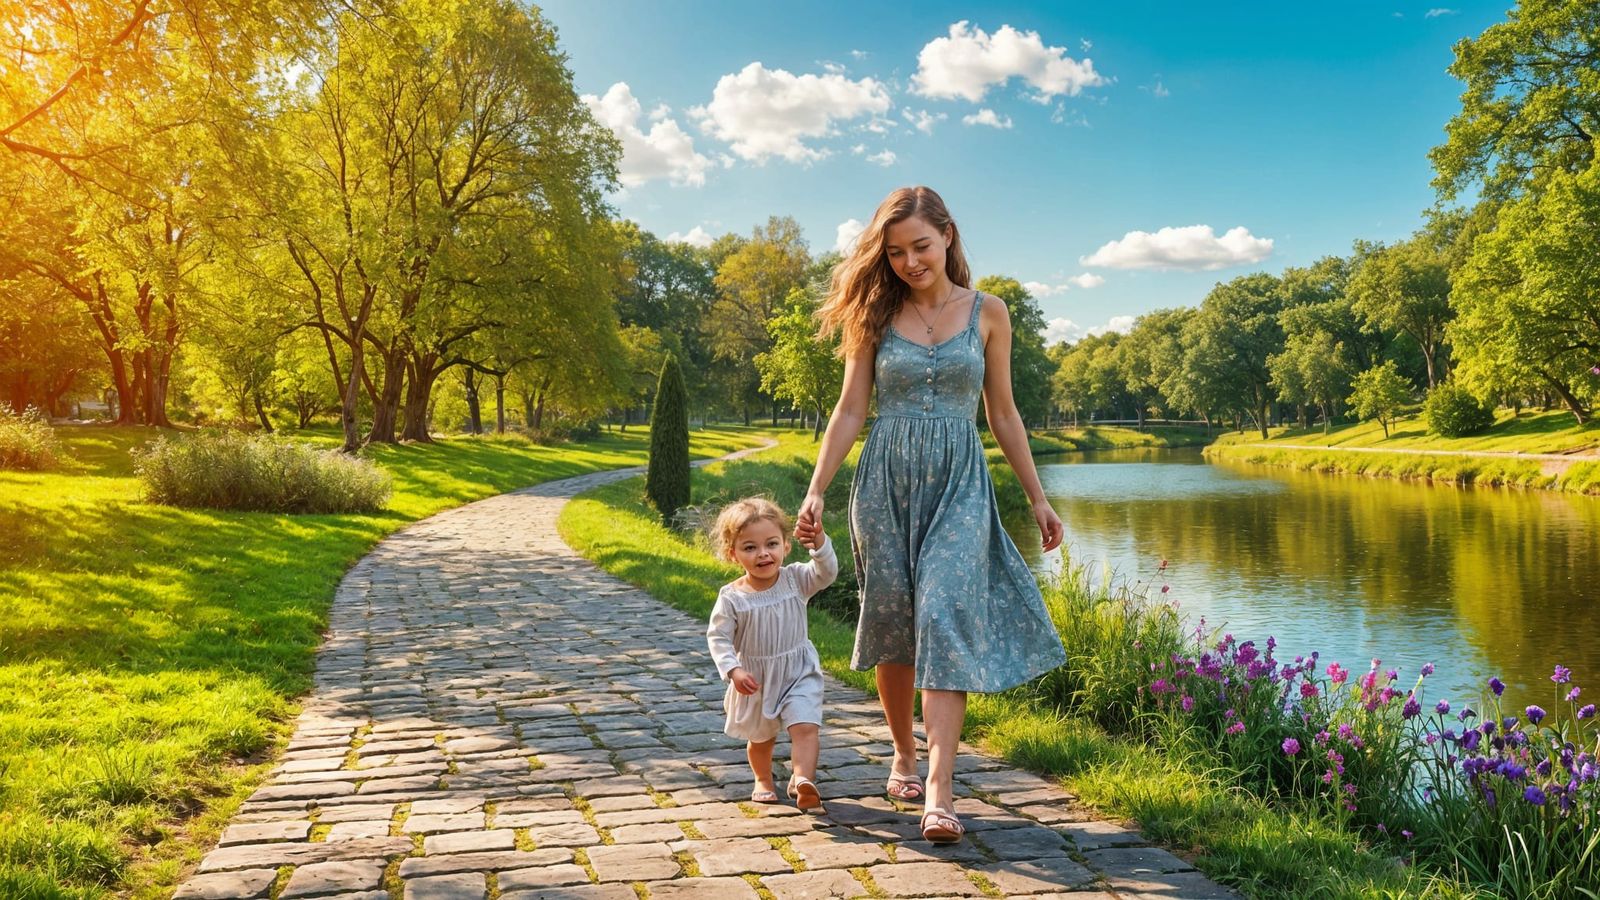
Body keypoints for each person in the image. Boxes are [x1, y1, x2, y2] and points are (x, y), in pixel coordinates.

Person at [797, 185, 1066, 843]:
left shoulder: (990, 313)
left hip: (960, 480)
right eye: (895, 253)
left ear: (947, 234)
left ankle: (941, 789)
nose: (911, 261)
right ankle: (904, 754)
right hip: (885, 479)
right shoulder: (874, 315)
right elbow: (850, 410)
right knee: (893, 622)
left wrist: (1037, 497)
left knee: (943, 613)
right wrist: (814, 490)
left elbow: (1002, 413)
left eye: (920, 245)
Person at [706, 497, 839, 812]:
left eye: (771, 544)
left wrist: (819, 542)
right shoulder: (732, 597)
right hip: (757, 679)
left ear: (786, 545)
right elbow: (719, 637)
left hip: (797, 670)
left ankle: (803, 779)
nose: (763, 553)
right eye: (750, 547)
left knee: (805, 725)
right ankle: (763, 779)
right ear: (733, 554)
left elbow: (827, 573)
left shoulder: (796, 579)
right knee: (761, 738)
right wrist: (734, 671)